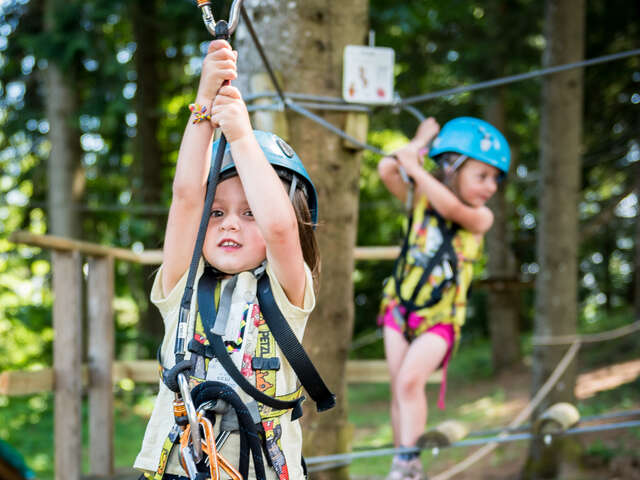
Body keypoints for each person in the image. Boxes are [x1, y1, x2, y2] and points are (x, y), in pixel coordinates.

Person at [134, 39, 320, 480]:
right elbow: (185, 199)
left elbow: (280, 230)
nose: (229, 225)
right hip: (179, 471)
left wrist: (239, 136)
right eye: (216, 212)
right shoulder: (182, 287)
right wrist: (203, 105)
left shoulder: (286, 292)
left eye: (249, 211)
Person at [377, 116, 510, 480]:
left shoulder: (481, 218)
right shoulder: (420, 198)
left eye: (495, 178)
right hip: (399, 309)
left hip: (441, 321)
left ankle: (409, 462)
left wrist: (415, 168)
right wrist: (420, 142)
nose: (491, 187)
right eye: (482, 176)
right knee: (398, 389)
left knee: (409, 382)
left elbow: (451, 210)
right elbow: (387, 168)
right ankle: (399, 459)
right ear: (450, 168)